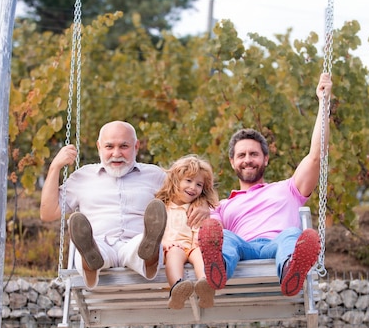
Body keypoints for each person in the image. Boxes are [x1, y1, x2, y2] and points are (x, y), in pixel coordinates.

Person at [198, 73, 332, 297]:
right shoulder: (221, 205)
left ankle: (291, 270)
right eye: (241, 155)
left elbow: (316, 156)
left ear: (266, 159)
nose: (247, 159)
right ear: (233, 162)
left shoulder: (288, 188)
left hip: (277, 244)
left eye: (254, 154)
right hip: (243, 247)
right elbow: (212, 233)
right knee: (226, 238)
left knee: (292, 234)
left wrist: (323, 102)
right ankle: (218, 269)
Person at [39, 121, 207, 289]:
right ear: (99, 147)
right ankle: (89, 257)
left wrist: (202, 205)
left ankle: (150, 251)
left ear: (136, 146)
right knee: (94, 248)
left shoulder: (155, 175)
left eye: (124, 146)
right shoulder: (82, 177)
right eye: (109, 146)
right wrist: (55, 167)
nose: (116, 153)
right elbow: (48, 213)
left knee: (144, 244)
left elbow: (188, 192)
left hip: (136, 242)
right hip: (99, 241)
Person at [155, 155, 220, 309]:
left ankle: (205, 285)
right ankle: (177, 288)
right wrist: (164, 243)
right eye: (188, 181)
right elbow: (155, 231)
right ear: (176, 180)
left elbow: (205, 227)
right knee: (174, 254)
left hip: (194, 245)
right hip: (173, 245)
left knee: (201, 254)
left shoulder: (199, 207)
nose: (193, 188)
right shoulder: (163, 206)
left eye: (199, 184)